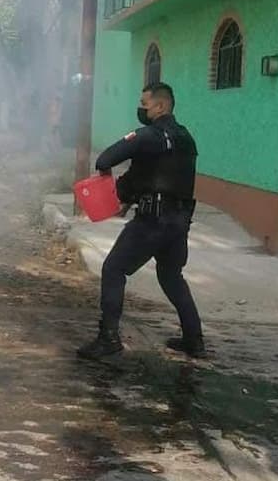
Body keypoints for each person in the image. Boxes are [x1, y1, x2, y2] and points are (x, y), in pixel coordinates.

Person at [77, 82, 206, 360]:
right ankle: (194, 340)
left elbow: (105, 158)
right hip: (179, 222)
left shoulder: (149, 136)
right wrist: (131, 192)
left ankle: (108, 337)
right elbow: (158, 175)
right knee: (171, 277)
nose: (142, 108)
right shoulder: (186, 138)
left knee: (113, 269)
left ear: (160, 106)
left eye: (145, 104)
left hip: (153, 222)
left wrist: (109, 186)